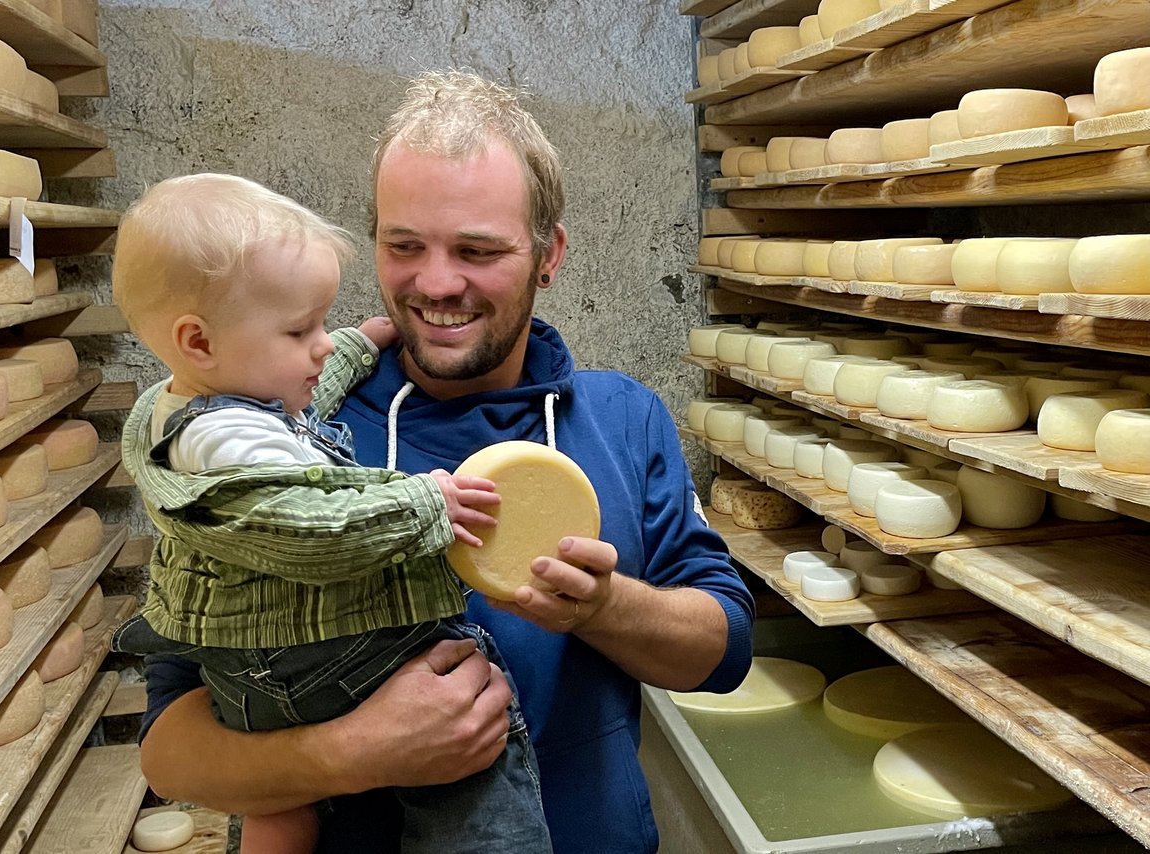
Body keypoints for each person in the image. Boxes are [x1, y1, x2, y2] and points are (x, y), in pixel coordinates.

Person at [129, 72, 756, 853]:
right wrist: (353, 754)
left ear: (548, 253)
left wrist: (603, 608)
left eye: (478, 250)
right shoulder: (282, 431)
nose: (434, 283)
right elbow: (170, 743)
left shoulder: (623, 419)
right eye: (403, 246)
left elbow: (724, 650)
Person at [109, 173, 553, 853]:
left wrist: (356, 342)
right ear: (198, 341)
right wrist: (424, 503)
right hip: (323, 663)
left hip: (247, 688)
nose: (320, 345)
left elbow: (302, 405)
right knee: (472, 730)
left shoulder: (198, 408)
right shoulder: (233, 444)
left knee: (281, 814)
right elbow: (313, 526)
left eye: (478, 251)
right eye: (300, 329)